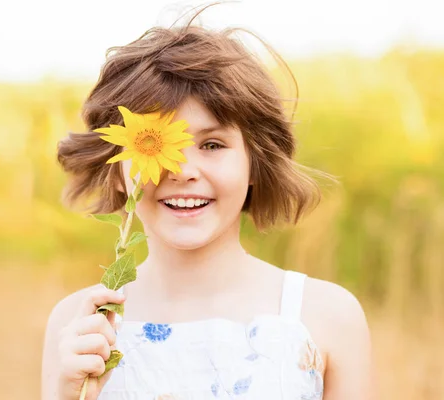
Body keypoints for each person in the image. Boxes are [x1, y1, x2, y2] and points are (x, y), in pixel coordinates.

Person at [41, 14, 374, 400]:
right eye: (153, 145)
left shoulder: (325, 316)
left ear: (255, 163)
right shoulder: (80, 323)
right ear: (117, 170)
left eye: (212, 145)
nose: (182, 171)